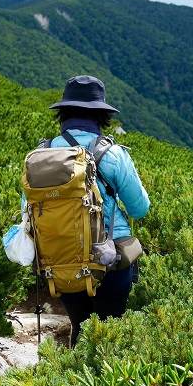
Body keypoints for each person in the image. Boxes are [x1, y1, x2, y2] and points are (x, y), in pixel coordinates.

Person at [46, 75, 150, 346]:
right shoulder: (112, 154)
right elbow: (140, 209)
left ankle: (70, 379)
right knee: (111, 334)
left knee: (80, 325)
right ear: (101, 115)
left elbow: (29, 210)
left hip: (61, 263)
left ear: (63, 113)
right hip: (110, 262)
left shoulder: (43, 154)